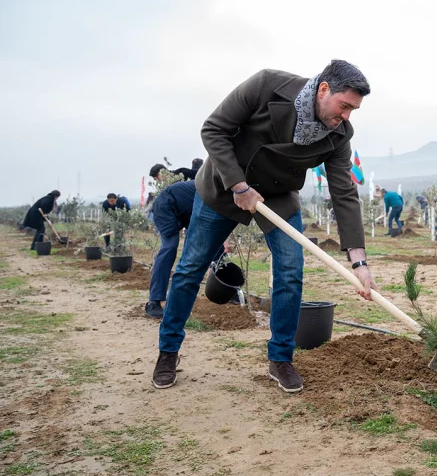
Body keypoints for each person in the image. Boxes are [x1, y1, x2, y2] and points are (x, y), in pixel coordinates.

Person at [152, 61, 377, 394]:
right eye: (345, 106)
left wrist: (359, 261)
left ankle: (281, 359)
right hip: (226, 185)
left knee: (290, 270)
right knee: (190, 268)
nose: (346, 116)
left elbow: (343, 191)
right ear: (324, 89)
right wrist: (239, 186)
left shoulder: (340, 133)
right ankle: (168, 352)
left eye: (353, 110)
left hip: (277, 194)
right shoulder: (266, 85)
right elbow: (213, 129)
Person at [144, 178, 230, 319]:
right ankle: (154, 301)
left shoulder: (226, 196)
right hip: (166, 205)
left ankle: (227, 292)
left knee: (217, 247)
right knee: (169, 247)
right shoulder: (214, 189)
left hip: (188, 212)